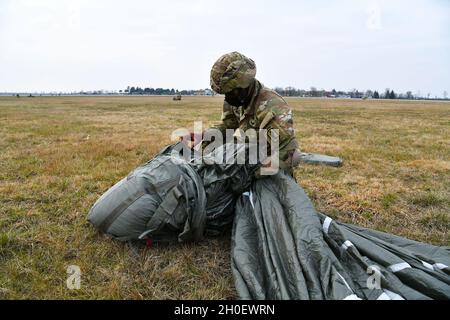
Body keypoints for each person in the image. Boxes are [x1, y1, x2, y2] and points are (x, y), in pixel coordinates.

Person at [205, 51, 301, 174]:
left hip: (264, 166)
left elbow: (288, 151)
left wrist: (251, 175)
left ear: (244, 84)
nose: (227, 98)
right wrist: (206, 135)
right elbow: (228, 126)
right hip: (243, 157)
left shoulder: (272, 106)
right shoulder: (236, 99)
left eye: (231, 91)